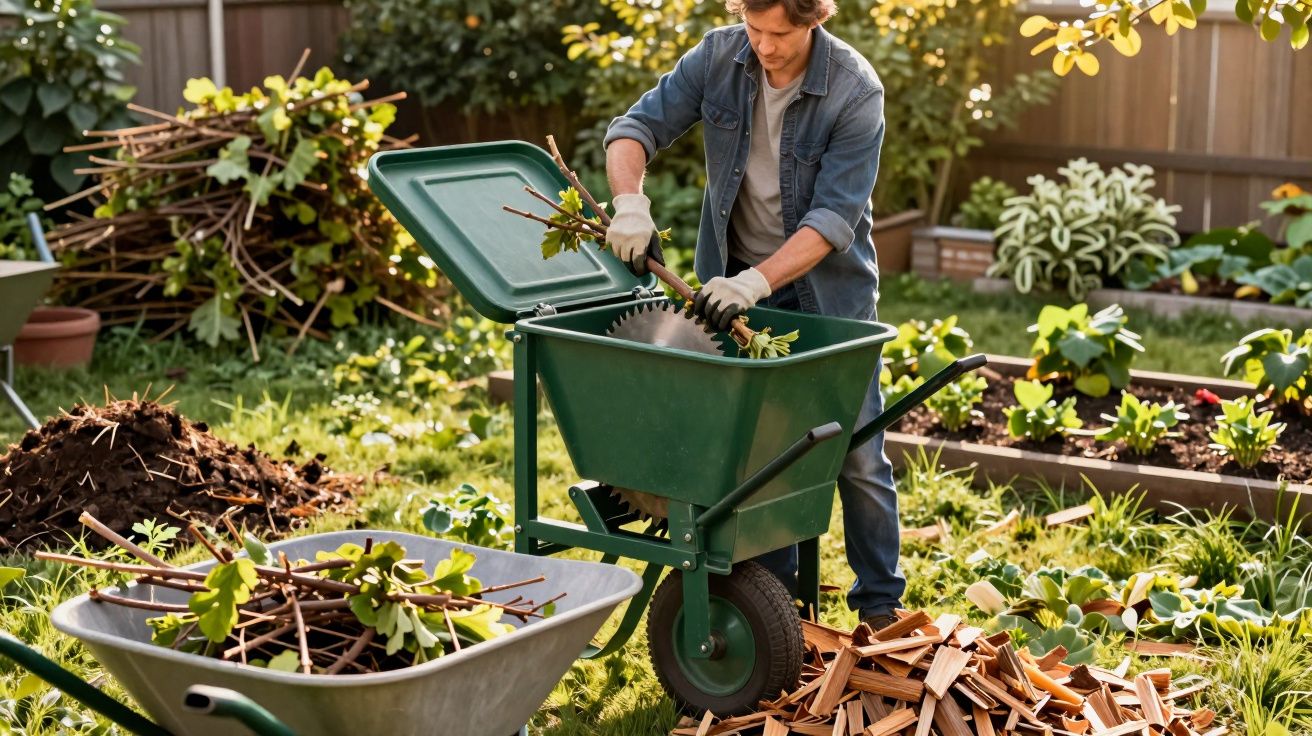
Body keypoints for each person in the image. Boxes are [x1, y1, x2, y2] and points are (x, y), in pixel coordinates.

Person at [602, 0, 903, 630]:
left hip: (826, 299)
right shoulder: (718, 55)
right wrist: (629, 203)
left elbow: (833, 219)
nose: (764, 46)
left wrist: (757, 281)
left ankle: (881, 609)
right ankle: (777, 605)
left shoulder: (853, 89)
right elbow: (635, 128)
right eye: (753, 28)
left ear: (815, 20)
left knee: (857, 452)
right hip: (728, 294)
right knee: (761, 455)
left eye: (781, 34)